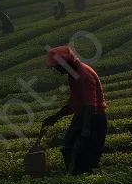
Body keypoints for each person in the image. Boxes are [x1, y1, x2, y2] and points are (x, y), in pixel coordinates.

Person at [41, 45, 108, 174]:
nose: (57, 70)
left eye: (58, 67)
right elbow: (74, 102)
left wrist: (86, 128)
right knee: (67, 148)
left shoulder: (84, 75)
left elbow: (90, 104)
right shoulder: (73, 75)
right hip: (82, 114)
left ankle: (83, 179)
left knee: (85, 154)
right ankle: (74, 176)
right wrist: (55, 117)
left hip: (93, 117)